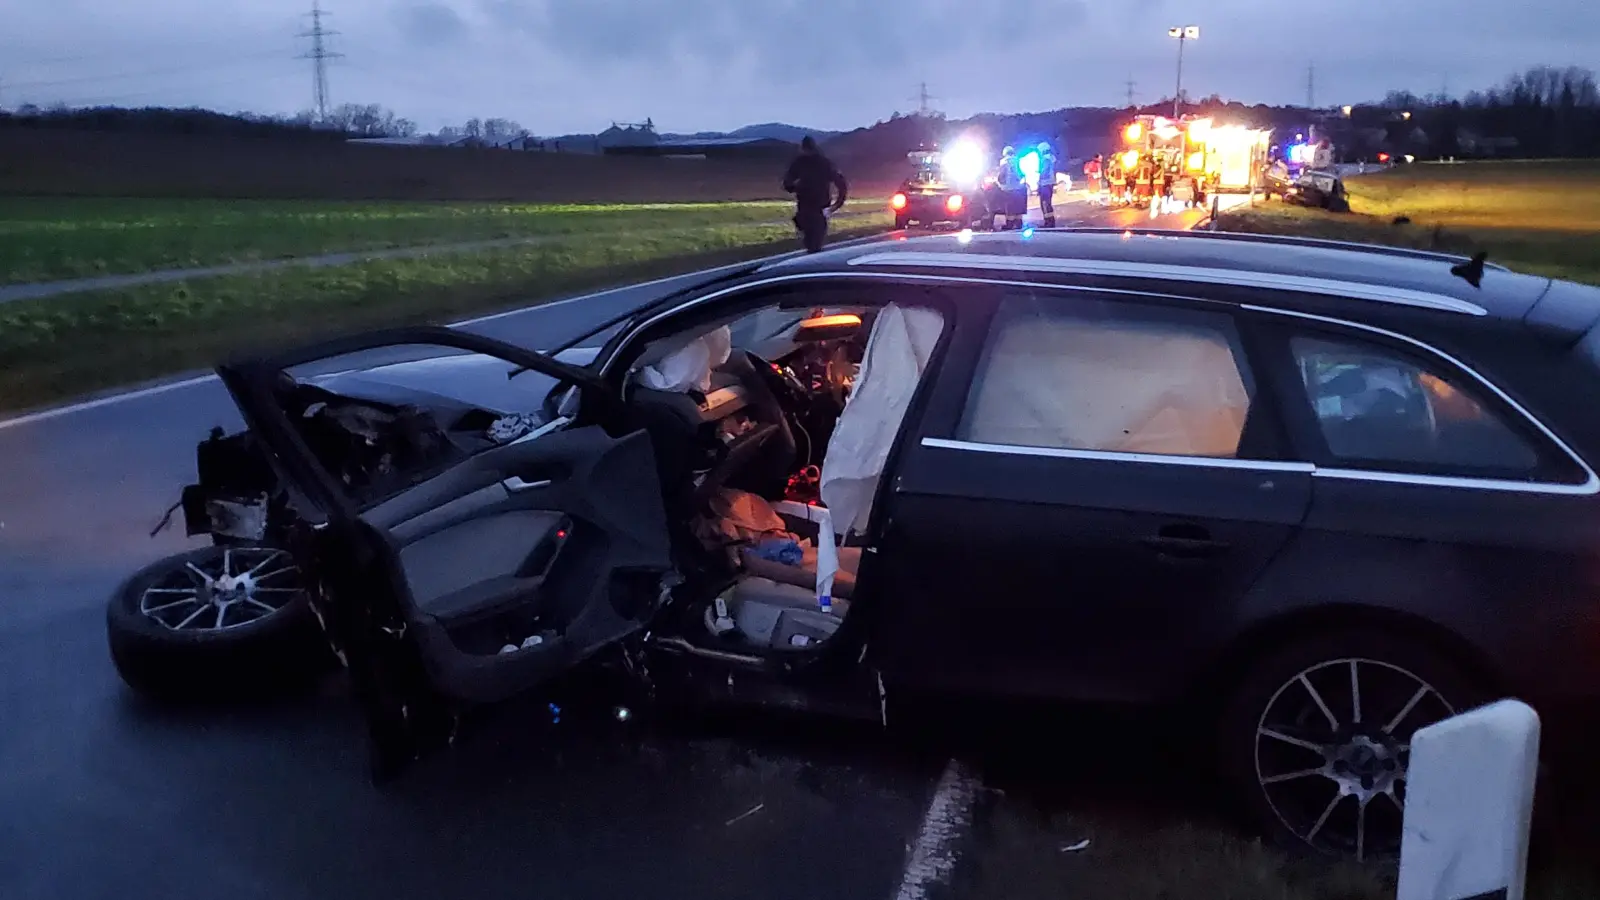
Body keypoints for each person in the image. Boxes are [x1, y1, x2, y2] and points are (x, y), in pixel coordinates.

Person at [782, 136, 848, 253]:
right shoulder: (824, 163)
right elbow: (841, 184)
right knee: (815, 242)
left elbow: (787, 183)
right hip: (815, 208)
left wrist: (796, 188)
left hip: (809, 208)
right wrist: (837, 204)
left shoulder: (801, 163)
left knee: (812, 242)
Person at [995, 145, 1026, 230]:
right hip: (1019, 188)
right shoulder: (1018, 161)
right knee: (1018, 207)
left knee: (1009, 208)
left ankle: (1009, 224)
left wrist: (999, 183)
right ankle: (1019, 223)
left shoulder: (1004, 162)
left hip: (1008, 189)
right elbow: (1022, 173)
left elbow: (1001, 176)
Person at [1035, 142, 1058, 227]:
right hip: (1050, 183)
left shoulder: (1045, 159)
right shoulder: (1052, 158)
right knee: (1048, 203)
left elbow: (1044, 171)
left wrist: (1039, 182)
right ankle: (1051, 221)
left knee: (1044, 204)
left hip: (1045, 184)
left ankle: (1048, 222)